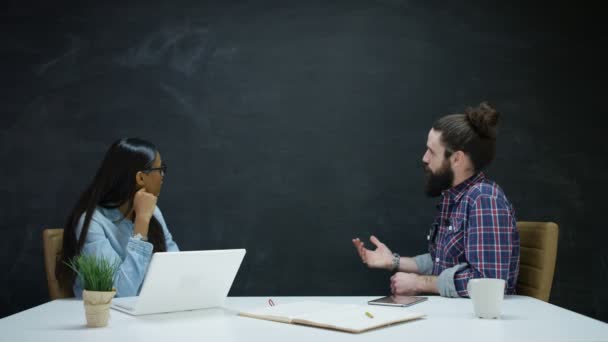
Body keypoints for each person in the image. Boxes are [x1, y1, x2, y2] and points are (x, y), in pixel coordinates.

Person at [352, 102, 519, 297]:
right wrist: (394, 261)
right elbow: (442, 261)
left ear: (457, 159)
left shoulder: (484, 199)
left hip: (477, 324)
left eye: (432, 151)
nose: (424, 158)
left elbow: (490, 282)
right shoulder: (456, 198)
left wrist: (419, 283)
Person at [57, 138, 179, 297]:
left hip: (146, 312)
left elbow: (175, 266)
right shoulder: (92, 222)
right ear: (141, 178)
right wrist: (141, 222)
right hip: (107, 317)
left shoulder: (153, 211)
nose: (163, 176)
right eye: (160, 169)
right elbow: (120, 293)